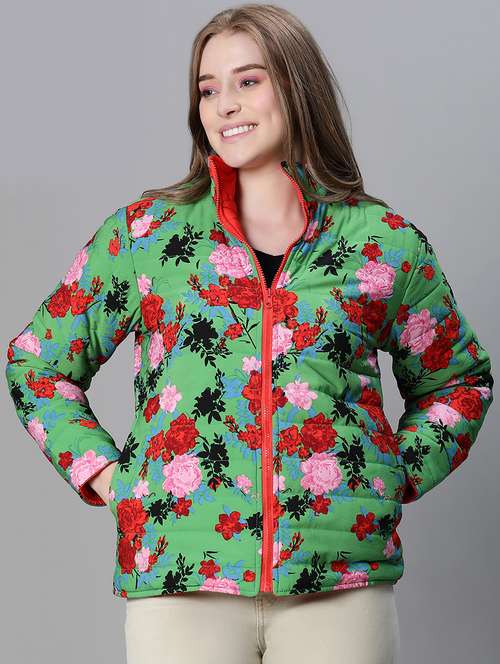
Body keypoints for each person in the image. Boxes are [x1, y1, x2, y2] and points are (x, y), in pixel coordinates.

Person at [5, 4, 494, 664]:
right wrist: (110, 478)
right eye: (208, 89)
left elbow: (459, 382)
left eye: (248, 81)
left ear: (297, 86)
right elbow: (38, 365)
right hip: (180, 583)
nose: (225, 105)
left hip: (340, 588)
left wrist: (387, 476)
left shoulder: (383, 243)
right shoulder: (146, 236)